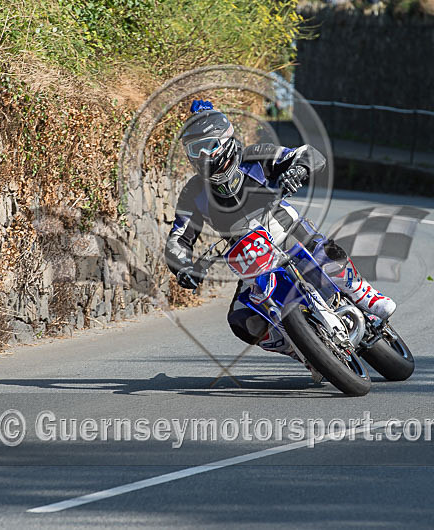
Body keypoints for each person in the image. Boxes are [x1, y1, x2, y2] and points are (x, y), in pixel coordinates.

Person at [165, 100, 396, 370]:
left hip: (291, 235)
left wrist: (297, 169)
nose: (204, 156)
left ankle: (364, 293)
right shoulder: (193, 192)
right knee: (241, 320)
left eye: (210, 146)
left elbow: (308, 154)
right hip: (252, 260)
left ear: (225, 139)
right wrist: (183, 266)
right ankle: (303, 351)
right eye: (196, 149)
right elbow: (178, 238)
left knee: (326, 254)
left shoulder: (256, 156)